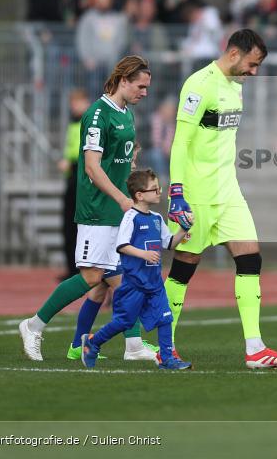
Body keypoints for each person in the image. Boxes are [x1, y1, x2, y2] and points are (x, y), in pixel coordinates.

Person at [162, 29, 277, 369]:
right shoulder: (199, 84)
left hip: (229, 192)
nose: (254, 73)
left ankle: (255, 348)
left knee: (250, 258)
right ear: (234, 53)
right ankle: (163, 345)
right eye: (252, 65)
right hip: (197, 194)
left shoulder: (235, 88)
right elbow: (181, 142)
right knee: (183, 270)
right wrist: (177, 191)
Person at [18, 56, 152, 361]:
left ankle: (129, 346)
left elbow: (120, 157)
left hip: (117, 209)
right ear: (123, 80)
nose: (145, 92)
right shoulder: (97, 114)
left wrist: (131, 165)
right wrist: (120, 198)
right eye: (141, 86)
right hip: (97, 209)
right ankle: (34, 325)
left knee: (122, 278)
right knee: (93, 277)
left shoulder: (126, 114)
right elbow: (91, 167)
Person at [82, 169, 191, 370]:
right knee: (123, 322)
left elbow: (170, 244)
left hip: (155, 283)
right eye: (154, 189)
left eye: (159, 188)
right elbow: (122, 245)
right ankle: (93, 342)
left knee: (166, 317)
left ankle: (167, 358)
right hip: (134, 284)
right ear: (139, 195)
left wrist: (184, 230)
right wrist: (143, 254)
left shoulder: (157, 219)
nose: (160, 192)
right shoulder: (131, 217)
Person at [58, 89, 92, 280]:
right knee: (68, 225)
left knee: (77, 225)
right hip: (73, 175)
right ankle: (72, 269)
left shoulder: (88, 123)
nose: (74, 106)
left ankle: (79, 268)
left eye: (77, 102)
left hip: (81, 176)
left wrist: (70, 163)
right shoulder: (73, 122)